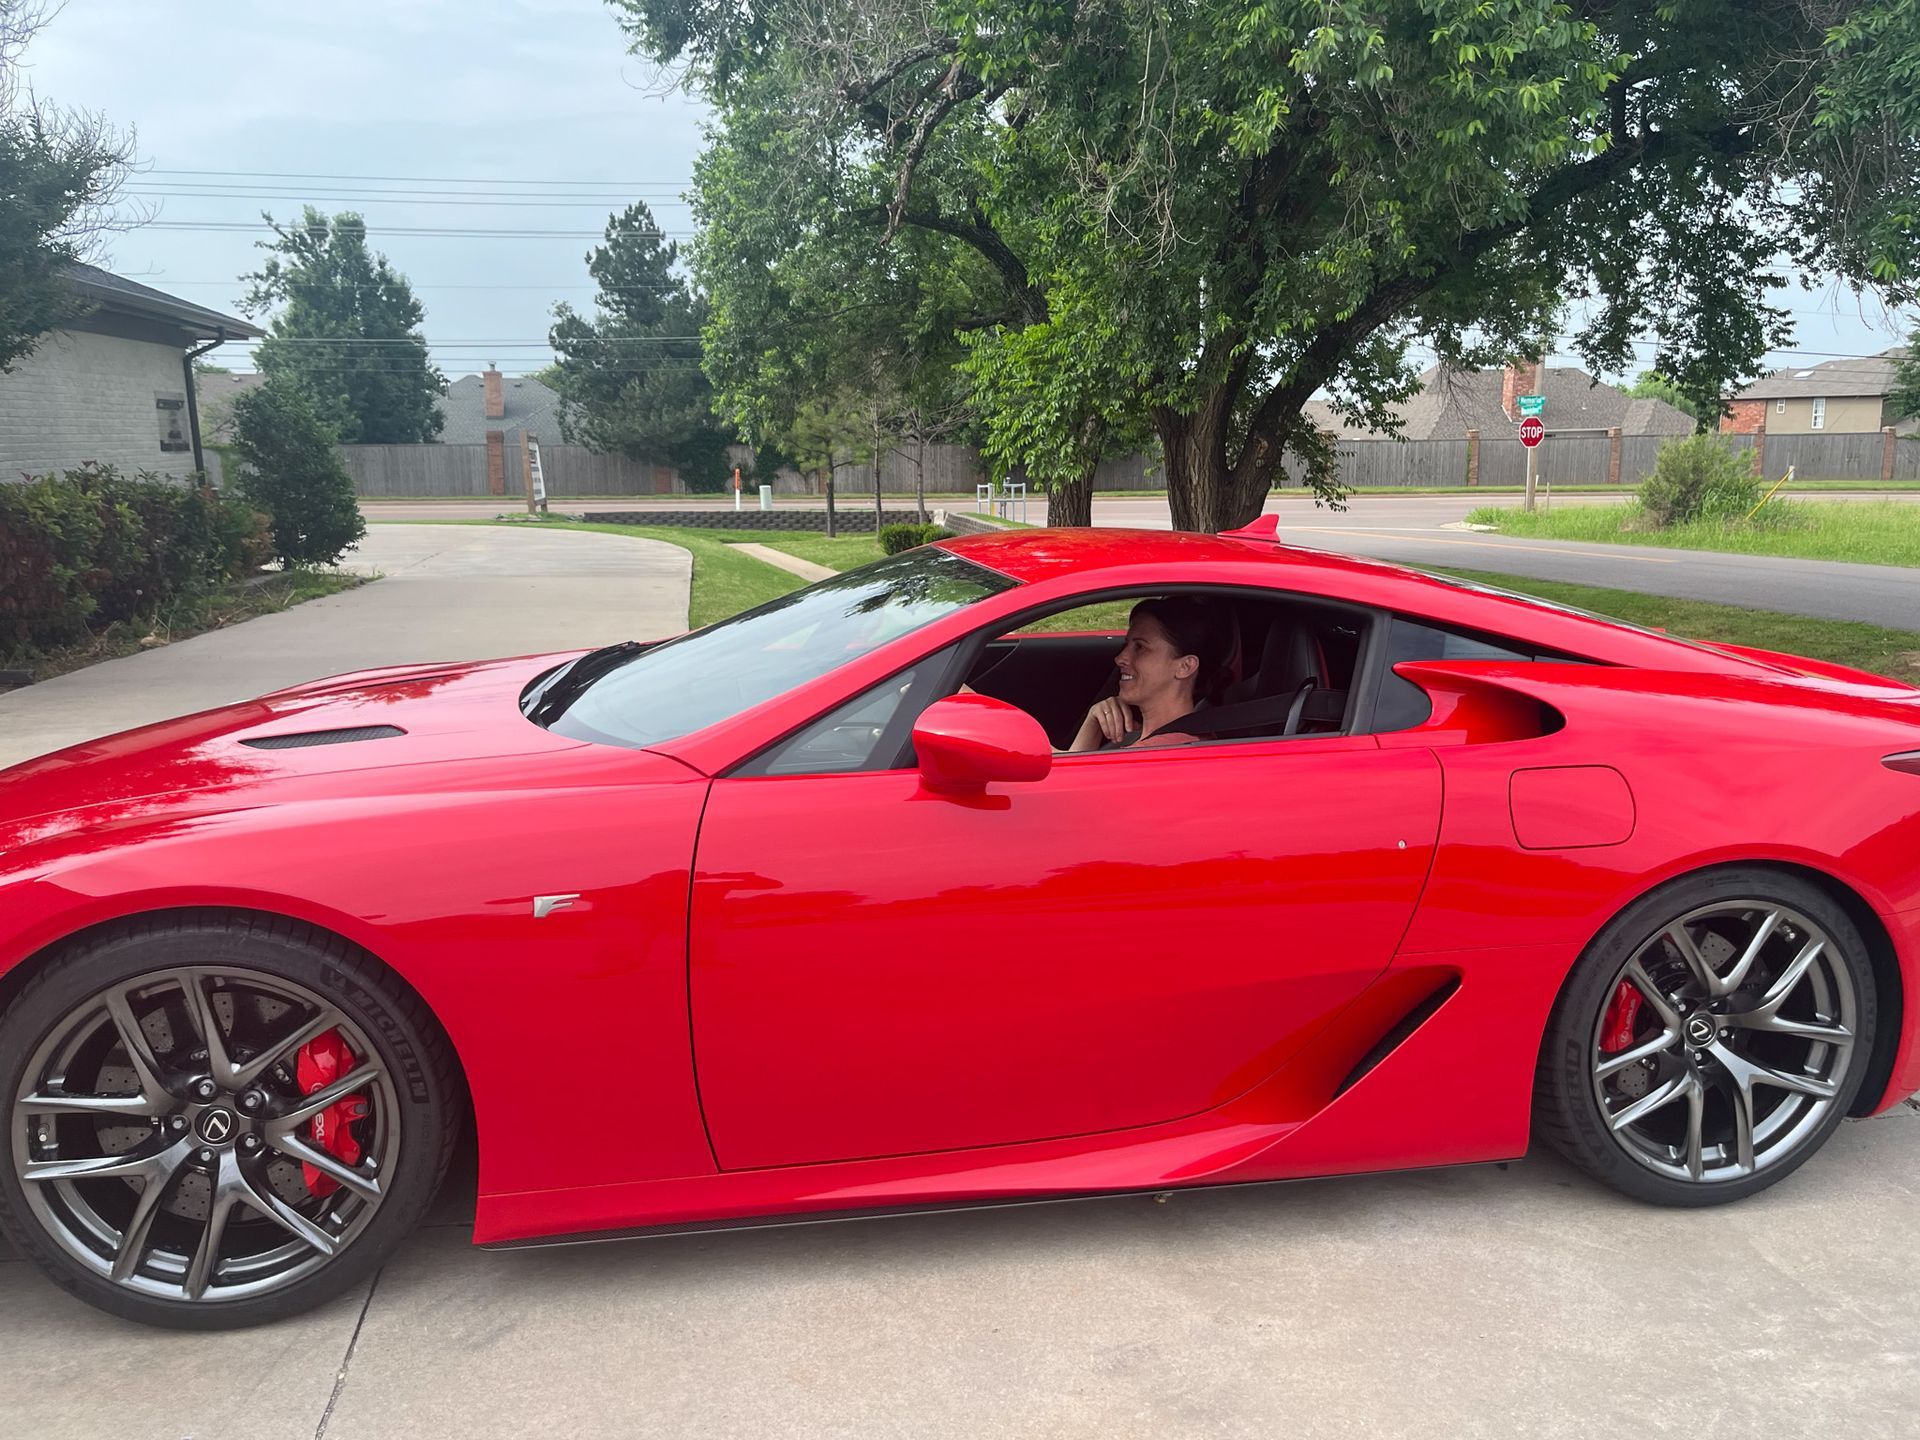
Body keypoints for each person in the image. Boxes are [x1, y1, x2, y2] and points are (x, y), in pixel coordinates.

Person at [1068, 596, 1232, 751]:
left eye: (1140, 647)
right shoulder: (1190, 739)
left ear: (1185, 666)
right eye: (1126, 645)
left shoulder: (1152, 755)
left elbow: (1061, 772)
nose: (1120, 658)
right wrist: (1093, 722)